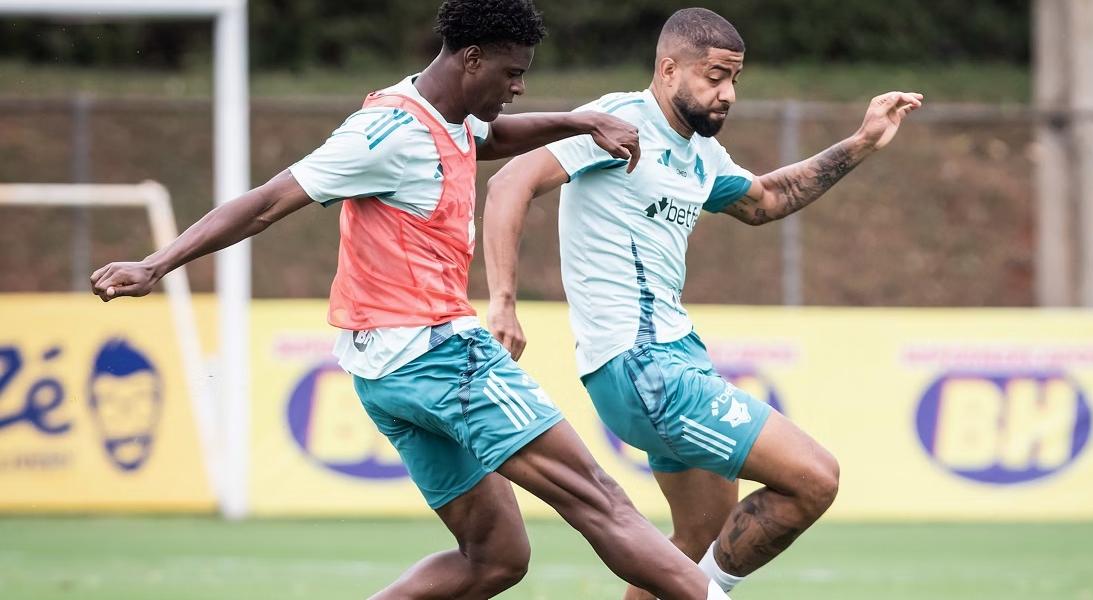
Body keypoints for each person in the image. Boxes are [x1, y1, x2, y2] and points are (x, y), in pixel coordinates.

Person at [90, 1, 734, 598]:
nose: (518, 88)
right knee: (599, 500)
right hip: (439, 356)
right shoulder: (388, 131)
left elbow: (490, 139)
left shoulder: (447, 119)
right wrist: (155, 264)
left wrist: (578, 120)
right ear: (471, 59)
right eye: (512, 74)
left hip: (384, 373)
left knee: (495, 556)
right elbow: (264, 203)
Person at [484, 7, 922, 598]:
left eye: (735, 79)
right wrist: (504, 301)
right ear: (669, 69)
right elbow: (510, 181)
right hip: (641, 365)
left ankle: (697, 589)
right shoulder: (619, 121)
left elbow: (766, 198)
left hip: (674, 358)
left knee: (700, 537)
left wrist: (863, 141)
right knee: (815, 479)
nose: (728, 94)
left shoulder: (698, 152)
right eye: (714, 77)